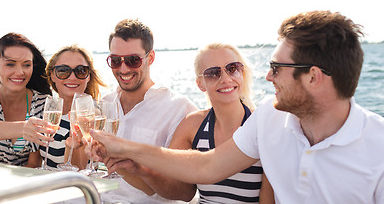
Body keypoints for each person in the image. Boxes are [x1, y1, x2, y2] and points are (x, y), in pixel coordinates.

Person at [90, 11, 384, 203]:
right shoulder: (270, 117)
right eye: (213, 73)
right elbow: (207, 165)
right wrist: (126, 151)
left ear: (313, 77)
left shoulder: (378, 146)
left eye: (277, 67)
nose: (268, 76)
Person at [99, 18, 198, 203]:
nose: (123, 68)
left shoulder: (178, 109)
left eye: (133, 60)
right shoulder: (105, 103)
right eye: (115, 60)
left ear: (150, 58)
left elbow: (184, 192)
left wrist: (139, 169)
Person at [0, 32, 52, 167]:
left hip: (20, 183)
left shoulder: (42, 102)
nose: (20, 72)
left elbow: (34, 163)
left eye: (26, 65)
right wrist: (24, 127)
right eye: (10, 64)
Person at [29, 44, 106, 169]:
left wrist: (71, 146)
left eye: (81, 71)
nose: (72, 77)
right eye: (63, 71)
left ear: (88, 76)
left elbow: (79, 169)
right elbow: (33, 164)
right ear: (52, 75)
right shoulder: (46, 110)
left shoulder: (92, 114)